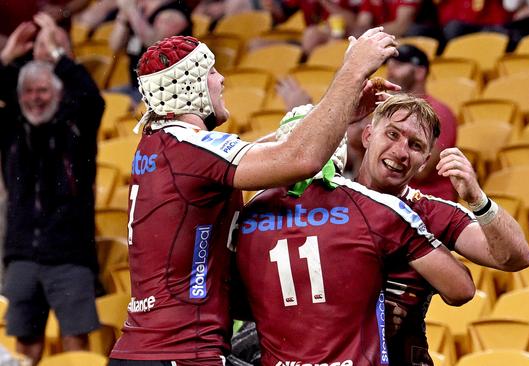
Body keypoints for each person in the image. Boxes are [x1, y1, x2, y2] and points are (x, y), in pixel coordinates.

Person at [109, 28, 399, 365]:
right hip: (180, 351)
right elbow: (299, 158)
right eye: (212, 72)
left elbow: (270, 152)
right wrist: (351, 73)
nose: (221, 80)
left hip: (146, 349)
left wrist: (340, 111)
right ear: (190, 85)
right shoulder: (189, 148)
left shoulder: (162, 145)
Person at [234, 100, 475, 365]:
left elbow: (233, 300)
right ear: (338, 146)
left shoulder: (249, 213)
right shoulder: (370, 208)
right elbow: (461, 288)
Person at [355, 94, 529, 365]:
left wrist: (477, 198)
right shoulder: (328, 204)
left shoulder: (434, 213)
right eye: (392, 134)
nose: (401, 152)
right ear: (367, 136)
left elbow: (516, 257)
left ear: (424, 162)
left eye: (415, 145)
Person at [0, 14, 104, 365]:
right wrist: (7, 57)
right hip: (22, 256)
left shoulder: (77, 125)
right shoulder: (12, 126)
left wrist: (59, 52)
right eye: (28, 91)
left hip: (69, 256)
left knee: (77, 347)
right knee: (24, 351)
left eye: (43, 90)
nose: (35, 98)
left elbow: (91, 98)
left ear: (57, 91)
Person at [384, 44, 458, 201]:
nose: (389, 73)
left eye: (397, 66)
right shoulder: (388, 111)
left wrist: (380, 157)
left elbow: (423, 170)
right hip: (396, 201)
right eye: (389, 66)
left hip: (429, 205)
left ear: (419, 72)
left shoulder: (439, 113)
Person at [109, 0, 192, 103]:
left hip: (165, 90)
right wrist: (123, 17)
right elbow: (115, 46)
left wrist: (131, 10)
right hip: (137, 86)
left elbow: (153, 43)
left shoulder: (174, 11)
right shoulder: (138, 9)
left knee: (117, 106)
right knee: (102, 100)